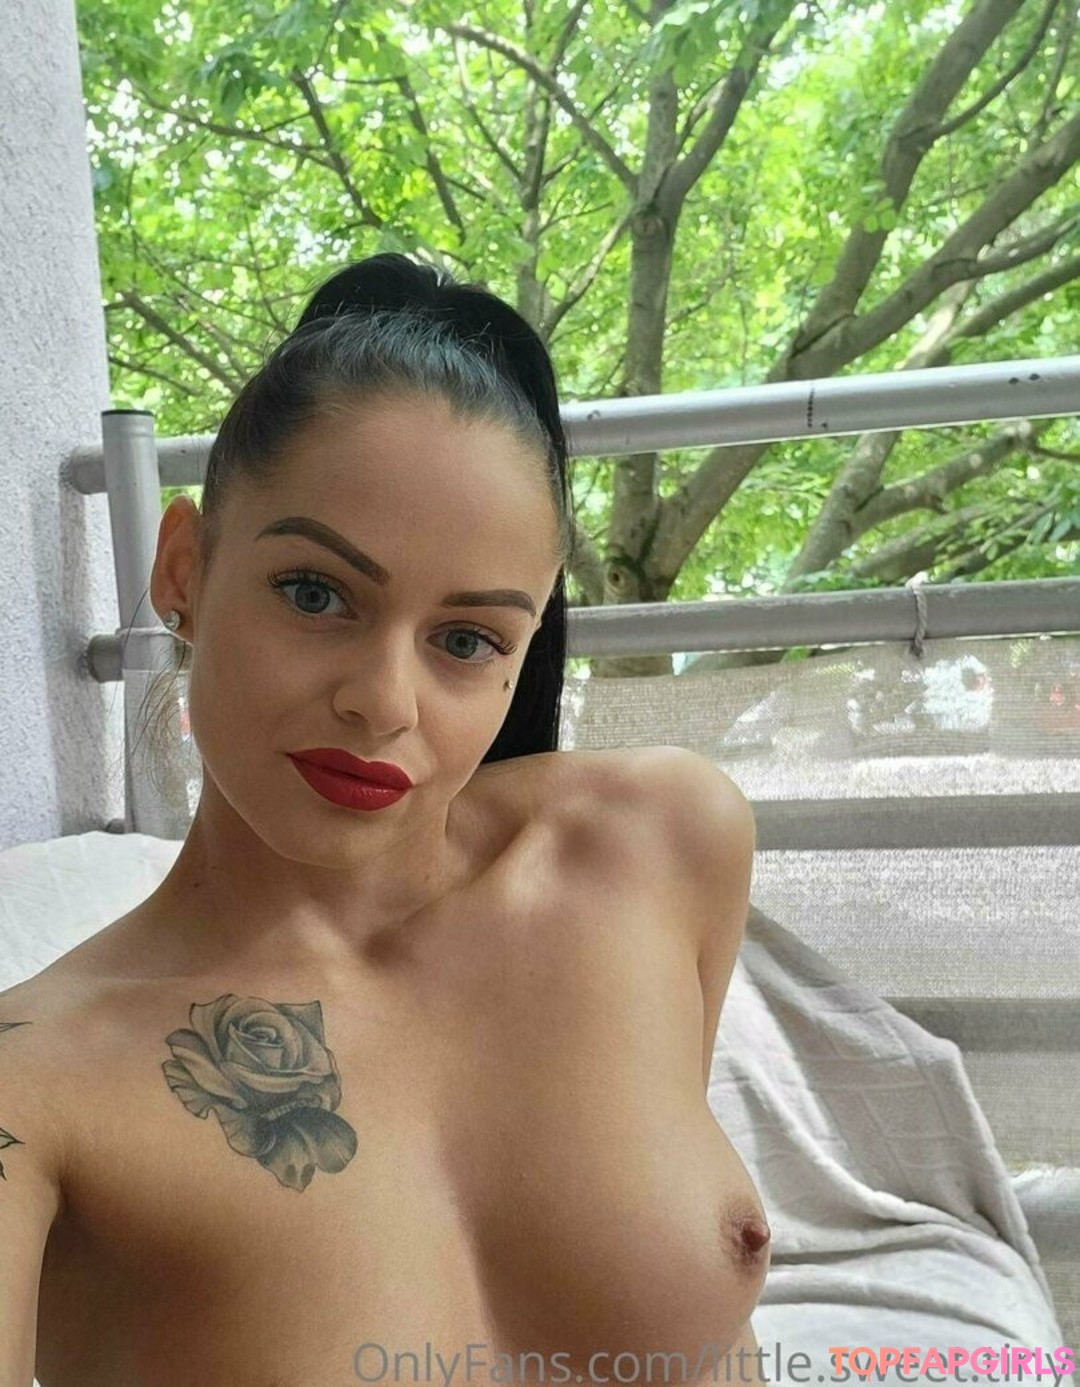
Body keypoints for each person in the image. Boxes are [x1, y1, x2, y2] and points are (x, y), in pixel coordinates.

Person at [0, 254, 770, 1387]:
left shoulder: (657, 844)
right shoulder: (38, 1088)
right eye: (315, 593)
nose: (383, 701)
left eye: (466, 640)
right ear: (182, 569)